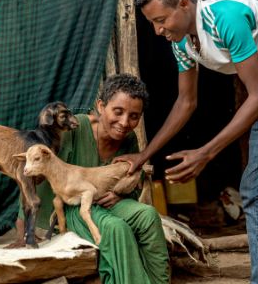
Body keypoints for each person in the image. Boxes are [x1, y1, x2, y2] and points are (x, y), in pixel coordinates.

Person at [119, 0, 258, 283]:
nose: (158, 31)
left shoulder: (226, 18)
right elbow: (186, 102)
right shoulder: (182, 41)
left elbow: (256, 97)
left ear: (184, 5)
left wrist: (206, 152)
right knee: (254, 193)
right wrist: (144, 156)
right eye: (152, 24)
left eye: (161, 20)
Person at [14, 73, 170, 284]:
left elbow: (130, 179)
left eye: (134, 116)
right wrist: (22, 229)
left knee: (149, 215)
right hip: (74, 206)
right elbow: (32, 175)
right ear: (100, 106)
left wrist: (117, 194)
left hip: (108, 203)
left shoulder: (129, 139)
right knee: (116, 228)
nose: (124, 122)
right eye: (118, 111)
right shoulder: (71, 130)